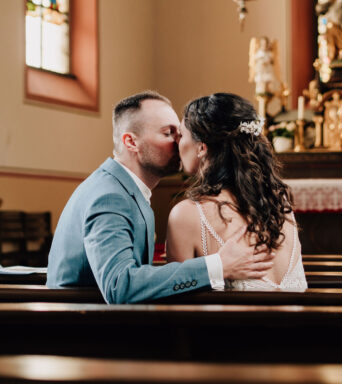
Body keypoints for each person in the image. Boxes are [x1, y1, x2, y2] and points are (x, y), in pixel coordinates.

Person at [46, 91, 274, 304]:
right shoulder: (109, 196)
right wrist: (218, 265)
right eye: (168, 133)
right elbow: (119, 287)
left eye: (179, 133)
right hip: (83, 333)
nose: (179, 142)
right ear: (131, 142)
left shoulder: (123, 188)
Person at [166, 93, 307, 291]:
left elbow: (176, 306)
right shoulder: (277, 203)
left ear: (201, 148)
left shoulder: (187, 215)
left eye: (181, 135)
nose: (176, 144)